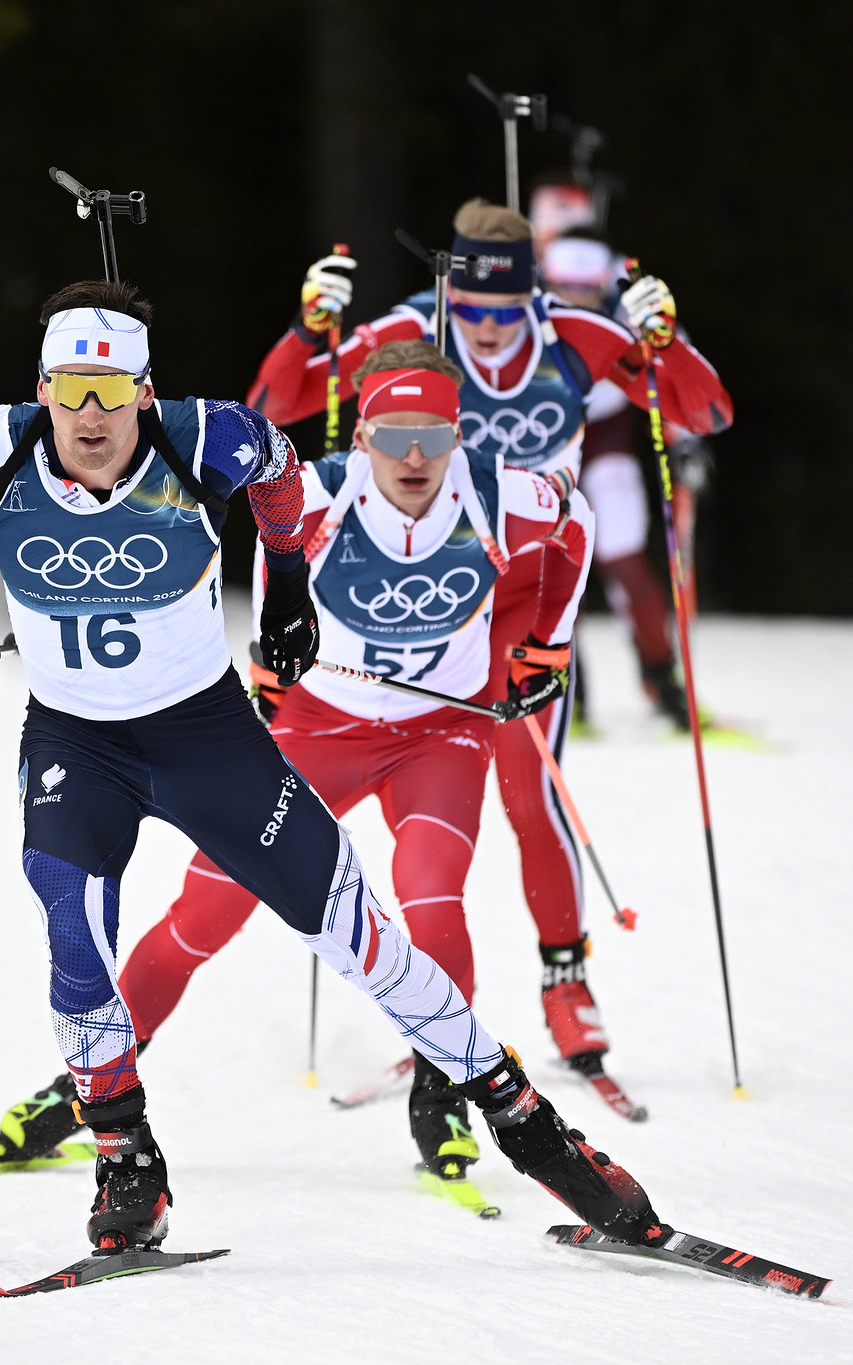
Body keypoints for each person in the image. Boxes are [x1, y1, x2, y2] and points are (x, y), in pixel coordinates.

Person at [0, 280, 669, 1255]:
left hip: (207, 739)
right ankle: (125, 1156)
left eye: (112, 392)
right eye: (70, 390)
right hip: (75, 741)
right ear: (42, 389)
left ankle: (529, 1126)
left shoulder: (203, 438)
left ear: (146, 392)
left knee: (365, 943)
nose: (89, 416)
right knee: (72, 932)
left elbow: (275, 466)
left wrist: (283, 587)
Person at [247, 200, 734, 1083]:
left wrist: (666, 340)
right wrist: (308, 328)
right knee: (423, 805)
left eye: (506, 309)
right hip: (437, 594)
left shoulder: (576, 337)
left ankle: (566, 982)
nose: (488, 327)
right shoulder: (411, 336)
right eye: (471, 308)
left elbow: (704, 413)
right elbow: (274, 407)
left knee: (528, 785)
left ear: (533, 294)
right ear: (451, 293)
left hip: (529, 589)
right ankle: (436, 1015)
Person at [539, 233, 691, 726]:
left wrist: (686, 444)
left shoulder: (625, 316)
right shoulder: (529, 316)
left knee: (624, 557)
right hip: (546, 449)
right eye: (564, 287)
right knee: (551, 567)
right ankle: (565, 690)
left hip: (607, 443)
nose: (575, 299)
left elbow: (676, 368)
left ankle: (663, 680)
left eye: (586, 289)